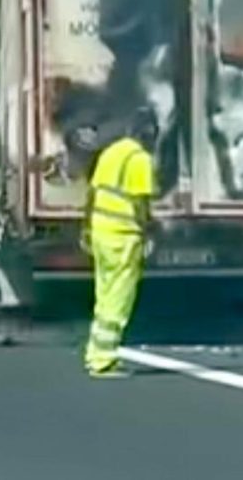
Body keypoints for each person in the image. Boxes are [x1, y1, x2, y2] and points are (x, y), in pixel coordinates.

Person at [82, 107, 159, 378]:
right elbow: (141, 203)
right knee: (119, 297)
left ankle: (95, 353)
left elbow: (92, 194)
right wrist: (150, 231)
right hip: (124, 236)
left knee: (103, 293)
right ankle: (104, 360)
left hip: (101, 231)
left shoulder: (110, 152)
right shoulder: (140, 160)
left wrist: (86, 228)